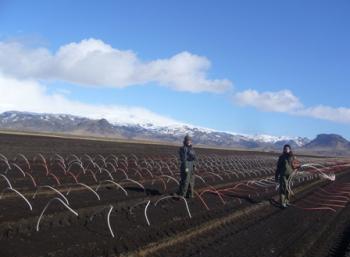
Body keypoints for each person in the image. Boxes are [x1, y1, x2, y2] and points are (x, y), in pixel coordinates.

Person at [275, 144, 296, 208]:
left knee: (288, 188)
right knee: (283, 188)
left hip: (290, 175)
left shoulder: (292, 157)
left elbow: (294, 166)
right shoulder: (281, 157)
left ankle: (287, 201)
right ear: (284, 150)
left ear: (290, 149)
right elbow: (278, 167)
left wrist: (297, 167)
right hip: (283, 175)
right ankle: (282, 203)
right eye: (285, 149)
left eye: (287, 149)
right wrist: (276, 176)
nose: (286, 150)